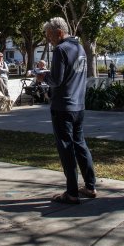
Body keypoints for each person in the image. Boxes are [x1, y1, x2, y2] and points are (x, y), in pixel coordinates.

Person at [35, 17, 96, 205]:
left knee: (66, 148)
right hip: (79, 105)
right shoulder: (80, 49)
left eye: (50, 36)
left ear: (59, 33)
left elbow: (57, 79)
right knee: (80, 144)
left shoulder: (61, 50)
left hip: (63, 106)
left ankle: (71, 192)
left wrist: (42, 76)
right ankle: (90, 185)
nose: (49, 40)